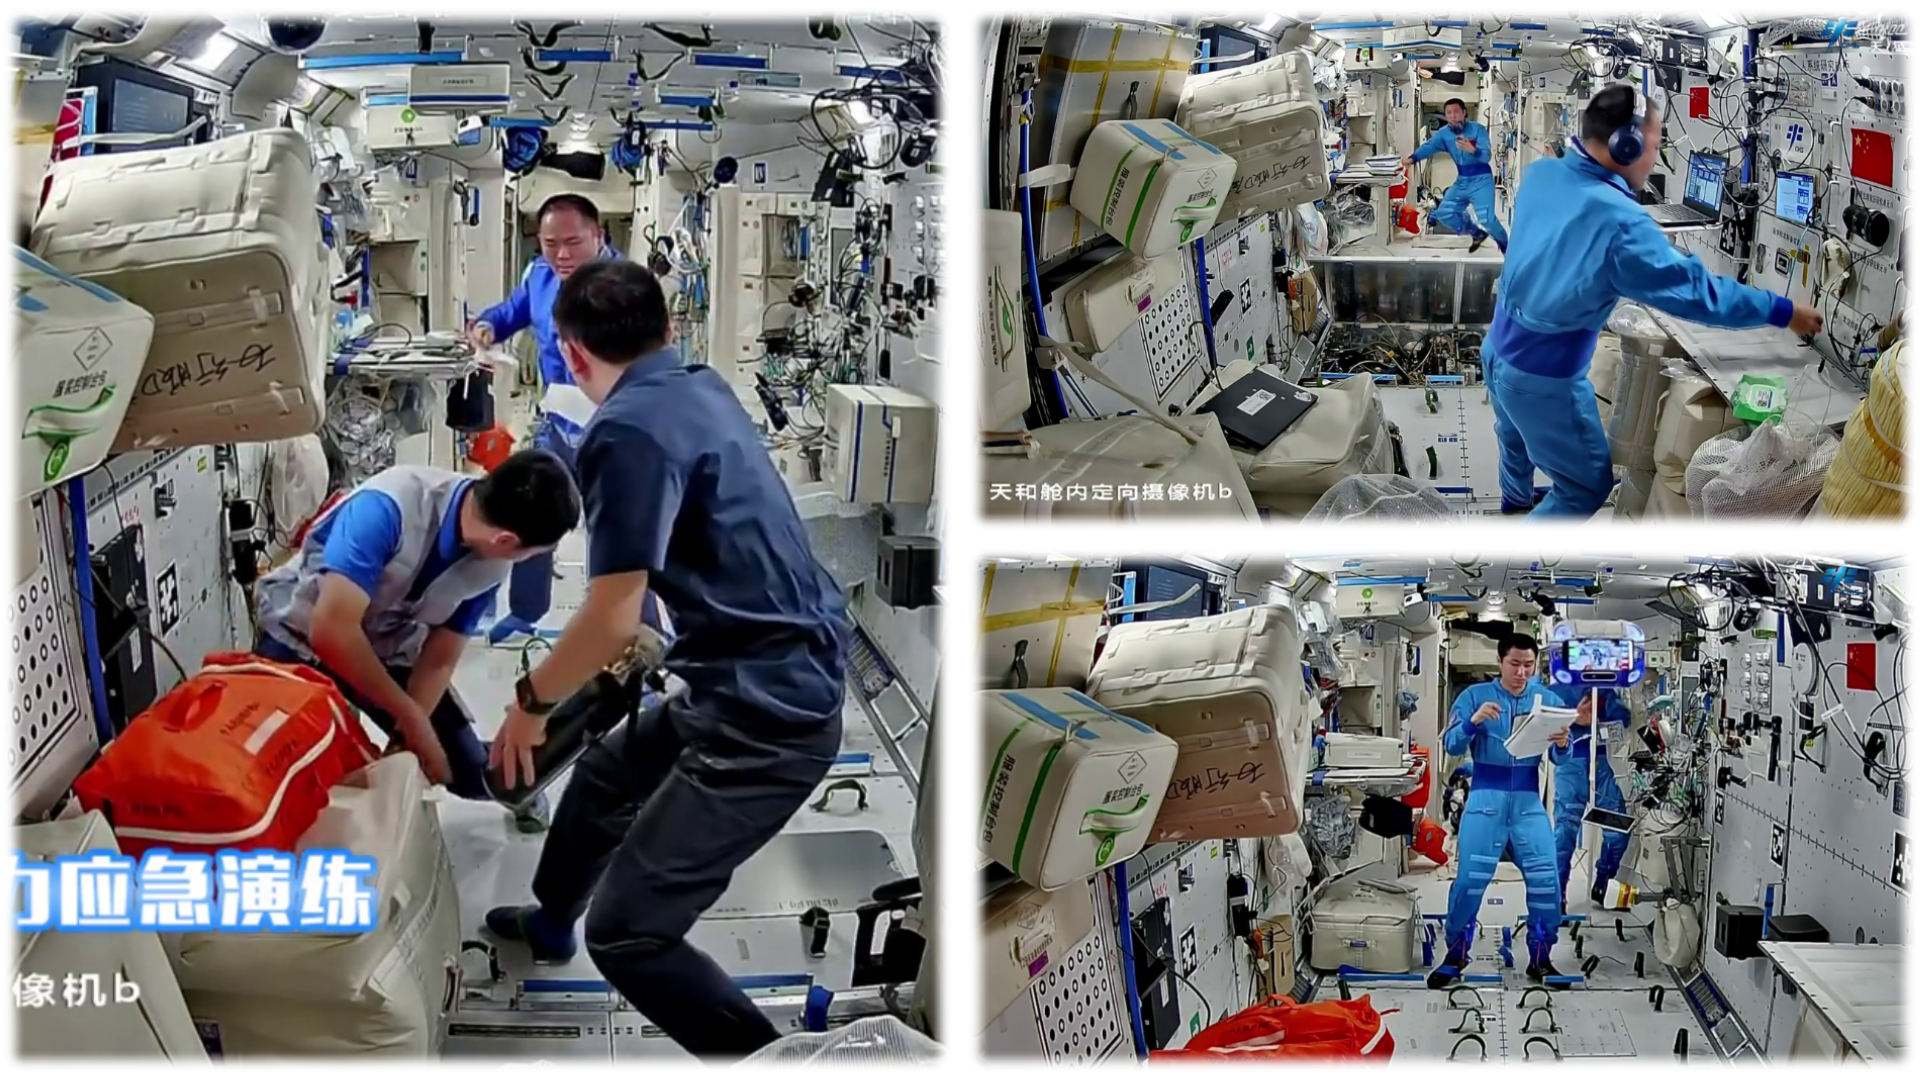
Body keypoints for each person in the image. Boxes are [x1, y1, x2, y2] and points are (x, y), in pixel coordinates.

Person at [480, 259, 849, 1072]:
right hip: (750, 667)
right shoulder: (701, 384)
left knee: (630, 932)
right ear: (669, 330)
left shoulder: (623, 432)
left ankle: (776, 1067)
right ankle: (549, 921)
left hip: (767, 717)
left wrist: (531, 703)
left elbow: (612, 615)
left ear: (570, 357)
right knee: (607, 775)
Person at [1484, 83, 1824, 529]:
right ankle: (1512, 565)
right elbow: (1699, 295)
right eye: (1655, 144)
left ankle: (1514, 502)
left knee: (1513, 437)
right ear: (1625, 145)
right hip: (1541, 376)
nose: (1655, 157)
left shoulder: (1543, 174)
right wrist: (1785, 311)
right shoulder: (1620, 222)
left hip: (1496, 351)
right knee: (1585, 487)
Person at [253, 451, 579, 831]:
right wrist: (409, 717)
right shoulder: (388, 509)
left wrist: (413, 731)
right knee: (274, 758)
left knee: (469, 772)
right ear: (506, 539)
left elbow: (440, 657)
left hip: (388, 646)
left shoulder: (492, 560)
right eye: (532, 555)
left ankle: (515, 789)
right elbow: (332, 631)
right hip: (301, 637)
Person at [466, 193, 631, 644]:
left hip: (615, 427)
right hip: (558, 420)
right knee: (530, 512)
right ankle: (526, 609)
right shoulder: (540, 278)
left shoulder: (628, 287)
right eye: (549, 243)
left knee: (619, 531)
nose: (561, 254)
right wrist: (486, 326)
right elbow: (509, 314)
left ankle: (628, 633)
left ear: (599, 235)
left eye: (573, 242)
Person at [1430, 633, 1570, 988]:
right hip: (1485, 800)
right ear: (1499, 662)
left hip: (1527, 802)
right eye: (1514, 664)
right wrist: (1471, 722)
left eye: (1528, 665)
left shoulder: (1548, 700)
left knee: (1546, 881)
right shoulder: (1474, 697)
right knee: (1469, 882)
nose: (1522, 672)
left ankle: (1540, 959)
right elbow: (1450, 744)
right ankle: (1455, 955)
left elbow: (1559, 757)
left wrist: (1564, 744)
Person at [1546, 685, 1632, 906]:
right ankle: (1557, 897)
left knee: (1618, 830)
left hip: (1599, 766)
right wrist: (1576, 717)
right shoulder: (1556, 692)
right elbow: (1542, 721)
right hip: (1570, 765)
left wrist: (1598, 719)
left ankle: (1603, 882)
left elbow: (1624, 719)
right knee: (1565, 832)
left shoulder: (1604, 691)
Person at [1402, 98, 1508, 254]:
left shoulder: (1478, 130)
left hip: (1481, 180)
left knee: (1488, 220)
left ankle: (1507, 248)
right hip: (1462, 181)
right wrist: (1413, 158)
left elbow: (1486, 156)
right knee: (1444, 213)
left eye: (1456, 112)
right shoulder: (1444, 134)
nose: (1452, 116)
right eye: (1448, 113)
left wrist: (1473, 150)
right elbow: (1429, 147)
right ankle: (1476, 233)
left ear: (1464, 112)